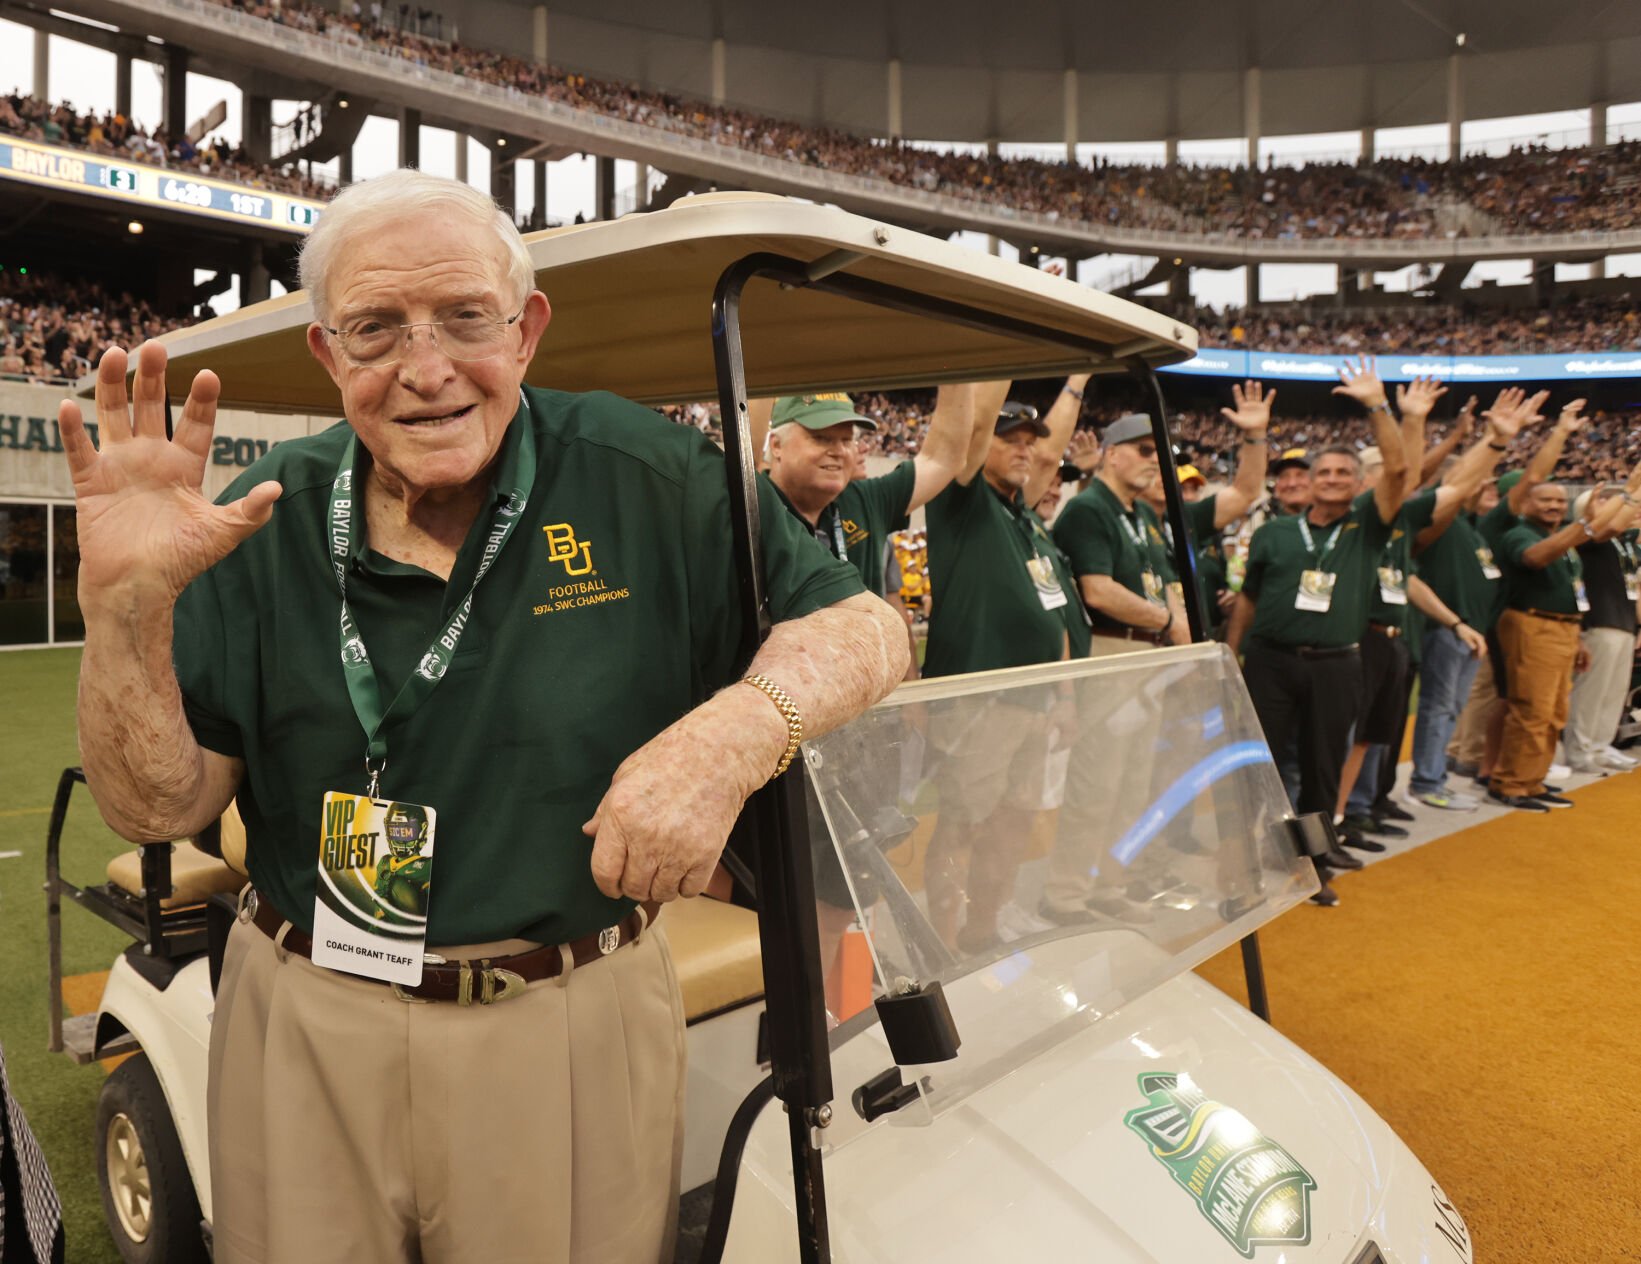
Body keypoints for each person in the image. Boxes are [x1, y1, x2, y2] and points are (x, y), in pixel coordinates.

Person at [61, 169, 907, 1263]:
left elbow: (866, 629)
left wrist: (730, 738)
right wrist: (122, 617)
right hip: (306, 1008)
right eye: (375, 329)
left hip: (567, 1012)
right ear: (329, 355)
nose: (427, 369)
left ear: (526, 332)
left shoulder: (645, 474)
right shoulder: (262, 508)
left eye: (465, 318)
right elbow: (154, 806)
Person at [1226, 358, 1412, 906]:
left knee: (1321, 768)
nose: (1331, 480)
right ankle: (1247, 864)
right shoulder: (1277, 533)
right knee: (1256, 766)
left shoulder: (1367, 529)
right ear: (1307, 484)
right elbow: (1249, 599)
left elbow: (1399, 473)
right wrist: (1229, 655)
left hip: (1335, 663)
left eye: (1341, 474)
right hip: (1270, 659)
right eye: (1322, 473)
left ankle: (1310, 867)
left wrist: (1379, 406)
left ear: (1357, 485)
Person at [1407, 392, 1546, 810]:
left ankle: (1433, 776)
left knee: (1451, 708)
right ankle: (1427, 780)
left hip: (1470, 630)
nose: (1483, 488)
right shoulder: (1439, 519)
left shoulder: (1472, 526)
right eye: (1479, 484)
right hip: (1444, 627)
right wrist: (1489, 440)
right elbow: (1456, 482)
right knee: (1438, 707)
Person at [1490, 471, 1638, 810]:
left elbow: (1574, 592)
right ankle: (1511, 782)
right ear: (1525, 503)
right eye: (1545, 500)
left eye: (1559, 500)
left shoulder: (1564, 542)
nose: (1554, 506)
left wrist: (1577, 639)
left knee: (1554, 711)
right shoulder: (1520, 533)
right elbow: (1534, 558)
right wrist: (1625, 496)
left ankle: (1532, 780)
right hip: (1532, 623)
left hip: (1564, 627)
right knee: (1532, 709)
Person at [1563, 474, 1641, 773]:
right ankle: (1580, 751)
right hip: (1600, 621)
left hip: (1621, 623)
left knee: (1613, 692)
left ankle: (1600, 744)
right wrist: (1632, 487)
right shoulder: (1591, 539)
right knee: (1591, 692)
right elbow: (1609, 523)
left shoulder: (1620, 545)